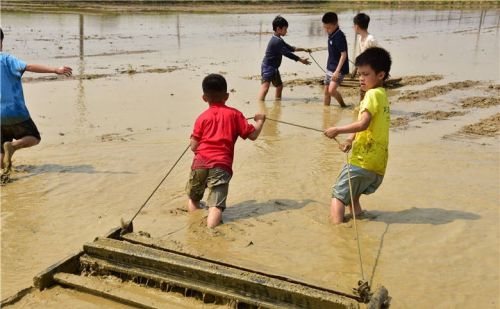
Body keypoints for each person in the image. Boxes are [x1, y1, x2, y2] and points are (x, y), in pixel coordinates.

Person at [187, 74, 266, 228]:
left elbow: (193, 147)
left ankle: (194, 224)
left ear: (204, 98)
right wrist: (260, 121)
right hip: (221, 165)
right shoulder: (235, 114)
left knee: (193, 198)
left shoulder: (201, 118)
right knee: (215, 206)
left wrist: (193, 138)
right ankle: (211, 232)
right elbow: (253, 135)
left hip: (200, 164)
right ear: (227, 96)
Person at [323, 47, 392, 224]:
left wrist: (337, 130)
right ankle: (359, 219)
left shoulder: (371, 95)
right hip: (377, 163)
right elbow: (365, 125)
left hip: (362, 160)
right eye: (359, 74)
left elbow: (363, 123)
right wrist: (349, 139)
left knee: (338, 195)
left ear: (381, 75)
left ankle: (337, 231)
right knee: (352, 196)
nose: (361, 78)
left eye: (366, 74)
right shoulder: (382, 95)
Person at [1, 27, 72, 174]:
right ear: (1, 42)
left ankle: (4, 174)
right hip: (16, 112)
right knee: (34, 137)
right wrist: (55, 70)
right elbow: (29, 66)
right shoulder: (6, 59)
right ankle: (13, 147)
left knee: (0, 149)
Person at [258, 15, 311, 101]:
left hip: (274, 68)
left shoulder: (278, 39)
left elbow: (290, 48)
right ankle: (260, 104)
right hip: (268, 67)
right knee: (265, 88)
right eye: (285, 29)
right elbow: (287, 53)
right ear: (278, 29)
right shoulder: (276, 41)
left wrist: (303, 49)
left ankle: (277, 103)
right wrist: (301, 60)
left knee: (279, 86)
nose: (286, 31)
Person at [322, 12, 349, 107]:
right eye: (325, 27)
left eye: (328, 28)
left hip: (339, 69)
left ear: (336, 24)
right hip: (330, 68)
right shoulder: (332, 34)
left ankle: (343, 105)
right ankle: (326, 113)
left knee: (331, 90)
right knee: (326, 93)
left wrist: (337, 71)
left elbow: (344, 54)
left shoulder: (339, 36)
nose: (326, 30)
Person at [352, 13, 378, 101]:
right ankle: (362, 108)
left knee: (370, 91)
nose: (353, 27)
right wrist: (356, 68)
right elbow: (361, 55)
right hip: (364, 70)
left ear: (357, 27)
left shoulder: (371, 40)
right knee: (362, 90)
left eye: (354, 25)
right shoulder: (361, 38)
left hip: (372, 71)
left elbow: (378, 55)